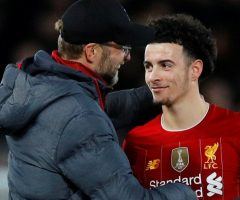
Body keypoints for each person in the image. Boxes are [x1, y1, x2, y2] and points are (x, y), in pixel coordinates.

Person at [0, 1, 197, 199]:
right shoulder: (79, 115)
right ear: (91, 52)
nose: (127, 57)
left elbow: (101, 109)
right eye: (122, 47)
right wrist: (189, 191)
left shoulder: (41, 85)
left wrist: (162, 89)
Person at [123, 14, 240, 200]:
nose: (153, 77)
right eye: (149, 67)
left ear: (195, 70)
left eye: (165, 65)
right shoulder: (135, 143)